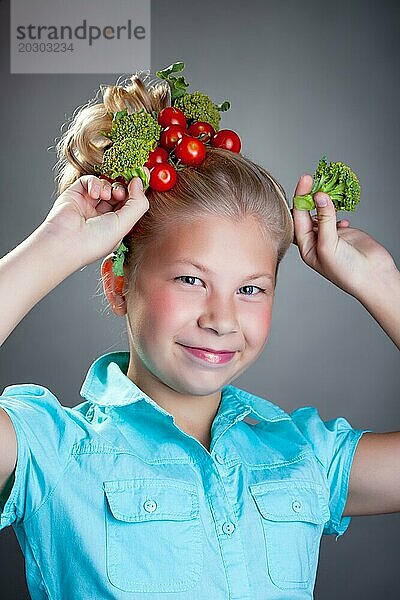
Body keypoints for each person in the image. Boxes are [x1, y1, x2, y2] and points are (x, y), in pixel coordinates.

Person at [0, 70, 399, 600]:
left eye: (251, 289)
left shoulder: (302, 456)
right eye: (191, 280)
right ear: (119, 283)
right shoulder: (51, 453)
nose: (222, 317)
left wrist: (383, 284)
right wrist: (53, 245)